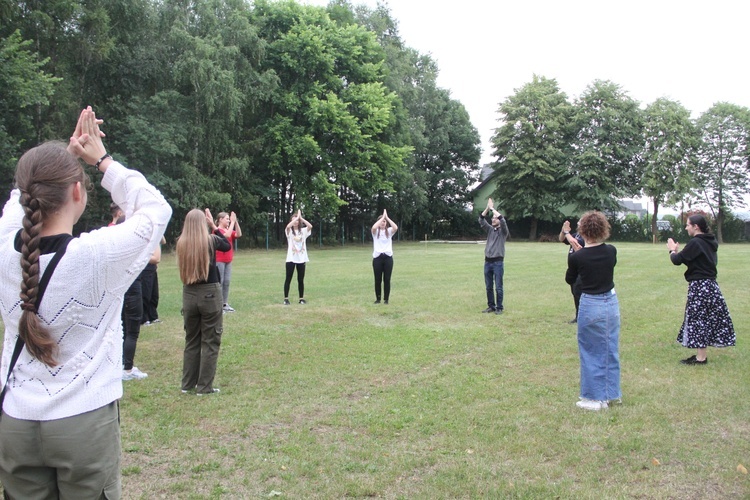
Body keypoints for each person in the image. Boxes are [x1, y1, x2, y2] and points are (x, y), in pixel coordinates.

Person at [0, 106, 171, 497]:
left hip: (15, 423)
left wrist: (65, 156)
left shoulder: (3, 248)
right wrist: (102, 160)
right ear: (77, 192)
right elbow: (155, 208)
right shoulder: (96, 256)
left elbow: (19, 197)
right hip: (83, 425)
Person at [565, 211, 620, 411]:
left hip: (590, 304)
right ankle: (611, 394)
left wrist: (578, 253)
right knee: (609, 348)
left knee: (590, 350)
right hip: (611, 303)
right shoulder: (611, 250)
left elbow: (570, 279)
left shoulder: (578, 257)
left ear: (583, 231)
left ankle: (594, 399)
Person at [667, 214, 735, 365]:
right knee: (703, 319)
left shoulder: (696, 242)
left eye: (688, 225)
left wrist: (672, 250)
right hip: (711, 285)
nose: (686, 227)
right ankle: (700, 356)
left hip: (699, 286)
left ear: (696, 226)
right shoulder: (710, 241)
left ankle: (701, 358)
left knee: (698, 320)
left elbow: (677, 260)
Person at [176, 208, 230, 395]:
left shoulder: (181, 243)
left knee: (191, 340)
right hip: (210, 294)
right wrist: (214, 226)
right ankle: (204, 387)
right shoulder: (211, 240)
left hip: (189, 294)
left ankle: (187, 384)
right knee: (210, 340)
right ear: (202, 223)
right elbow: (227, 245)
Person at [478, 198, 509, 314]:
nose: (493, 219)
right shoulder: (490, 230)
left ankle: (499, 307)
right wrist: (487, 208)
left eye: (495, 218)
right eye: (492, 218)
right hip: (487, 262)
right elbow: (481, 220)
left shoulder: (503, 232)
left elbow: (503, 219)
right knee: (489, 286)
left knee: (499, 287)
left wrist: (492, 209)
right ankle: (491, 306)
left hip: (498, 263)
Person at [212, 211, 242, 313]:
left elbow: (238, 234)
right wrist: (232, 222)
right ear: (220, 219)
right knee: (220, 282)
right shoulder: (216, 230)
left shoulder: (228, 228)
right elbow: (227, 235)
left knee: (227, 282)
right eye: (227, 219)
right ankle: (217, 305)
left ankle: (224, 303)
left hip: (228, 260)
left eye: (229, 219)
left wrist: (236, 222)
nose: (229, 220)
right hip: (219, 260)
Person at [283, 209, 312, 305]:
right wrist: (295, 219)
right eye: (293, 220)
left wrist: (301, 218)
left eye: (297, 221)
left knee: (300, 279)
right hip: (291, 258)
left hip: (301, 259)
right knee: (288, 278)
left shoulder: (303, 231)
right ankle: (286, 299)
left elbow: (310, 226)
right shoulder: (289, 232)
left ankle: (301, 298)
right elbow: (288, 226)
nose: (295, 222)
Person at [559, 220, 585, 323]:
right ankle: (578, 316)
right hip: (573, 269)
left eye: (580, 221)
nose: (578, 222)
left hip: (581, 269)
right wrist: (563, 230)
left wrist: (567, 233)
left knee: (579, 292)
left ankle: (581, 316)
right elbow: (561, 239)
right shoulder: (576, 235)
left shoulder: (586, 237)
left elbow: (575, 244)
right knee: (575, 292)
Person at [371, 209, 398, 304]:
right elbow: (374, 227)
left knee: (387, 279)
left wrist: (387, 218)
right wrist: (382, 217)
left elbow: (395, 227)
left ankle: (386, 299)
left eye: (384, 221)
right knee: (377, 279)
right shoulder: (375, 232)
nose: (382, 222)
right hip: (377, 258)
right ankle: (378, 299)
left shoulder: (389, 231)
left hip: (388, 258)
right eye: (381, 221)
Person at [140, 236, 165, 326]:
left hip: (153, 269)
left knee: (154, 295)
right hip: (146, 268)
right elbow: (156, 259)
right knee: (146, 294)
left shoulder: (155, 234)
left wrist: (159, 231)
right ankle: (144, 318)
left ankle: (153, 316)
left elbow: (163, 241)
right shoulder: (145, 236)